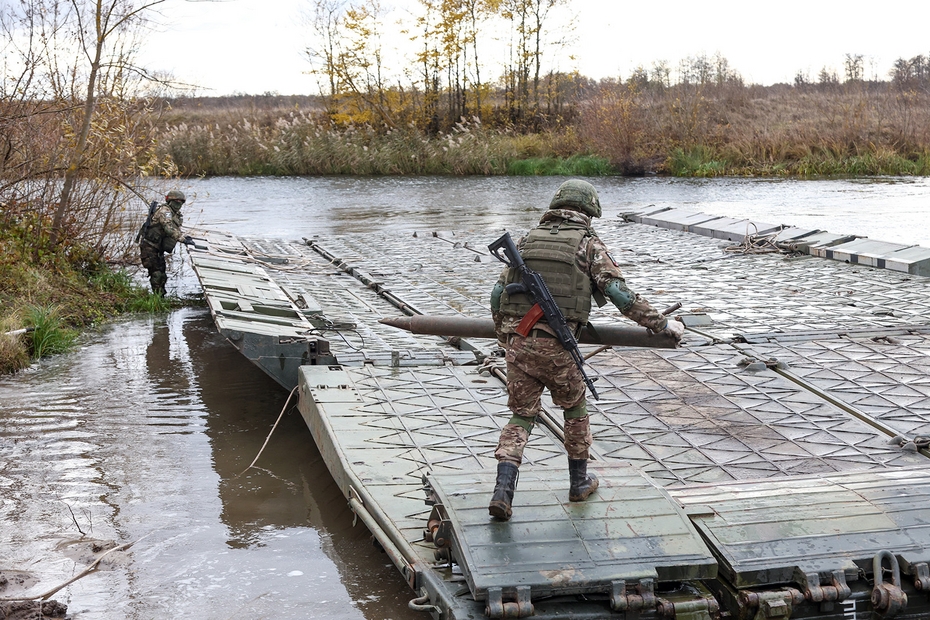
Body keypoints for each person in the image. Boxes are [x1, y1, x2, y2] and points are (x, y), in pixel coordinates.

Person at [488, 179, 684, 521]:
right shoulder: (588, 245)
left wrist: (503, 337)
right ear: (589, 212)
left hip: (517, 343)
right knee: (575, 409)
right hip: (558, 347)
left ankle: (503, 491)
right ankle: (579, 483)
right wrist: (661, 325)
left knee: (521, 416)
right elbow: (620, 295)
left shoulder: (526, 240)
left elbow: (497, 293)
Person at [139, 189, 192, 296]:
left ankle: (160, 297)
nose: (179, 204)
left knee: (162, 274)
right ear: (170, 201)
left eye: (181, 202)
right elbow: (168, 228)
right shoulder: (165, 212)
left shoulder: (174, 213)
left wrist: (185, 237)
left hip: (157, 247)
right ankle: (157, 299)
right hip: (149, 246)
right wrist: (182, 239)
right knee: (157, 274)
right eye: (177, 202)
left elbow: (174, 228)